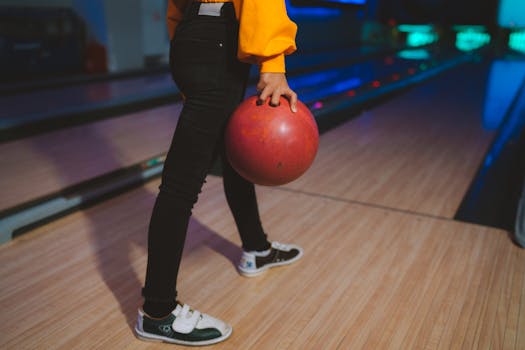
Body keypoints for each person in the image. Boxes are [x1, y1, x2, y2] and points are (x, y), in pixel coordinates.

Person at [135, 0, 303, 346]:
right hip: (218, 42)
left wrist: (187, 42)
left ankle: (257, 249)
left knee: (232, 154)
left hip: (194, 33)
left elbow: (175, 10)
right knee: (181, 185)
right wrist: (273, 61)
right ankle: (158, 311)